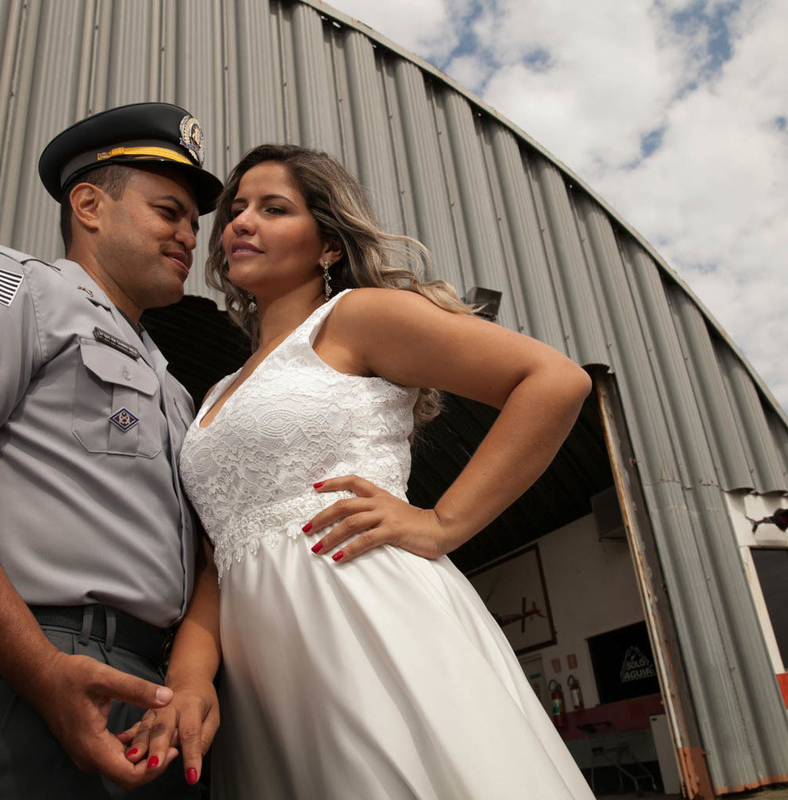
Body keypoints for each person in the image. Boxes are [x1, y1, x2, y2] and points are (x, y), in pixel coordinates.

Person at [122, 143, 597, 798]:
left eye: (273, 207)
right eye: (235, 209)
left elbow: (553, 381)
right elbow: (216, 562)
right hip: (267, 675)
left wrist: (440, 524)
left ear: (328, 245)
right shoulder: (215, 395)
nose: (240, 221)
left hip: (368, 623)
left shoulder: (357, 317)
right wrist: (191, 678)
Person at [0, 102, 224, 797]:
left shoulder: (176, 391)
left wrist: (186, 680)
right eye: (169, 211)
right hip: (24, 672)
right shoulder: (10, 282)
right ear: (88, 204)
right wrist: (41, 670)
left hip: (152, 701)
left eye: (194, 225)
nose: (188, 236)